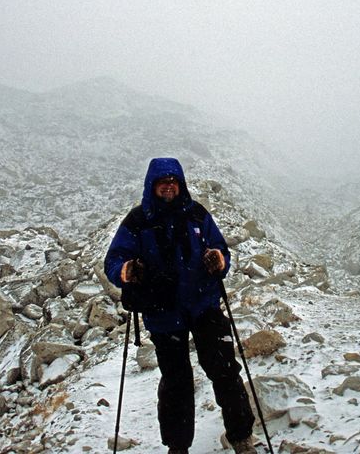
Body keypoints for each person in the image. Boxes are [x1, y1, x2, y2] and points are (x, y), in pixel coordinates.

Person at [105, 157, 256, 454]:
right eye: (163, 183)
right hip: (163, 312)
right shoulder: (138, 221)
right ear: (152, 186)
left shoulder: (197, 215)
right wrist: (125, 270)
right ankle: (178, 446)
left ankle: (241, 437)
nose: (169, 188)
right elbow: (113, 260)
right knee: (177, 382)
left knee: (225, 370)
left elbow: (220, 249)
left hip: (203, 305)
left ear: (181, 184)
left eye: (173, 182)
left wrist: (219, 260)